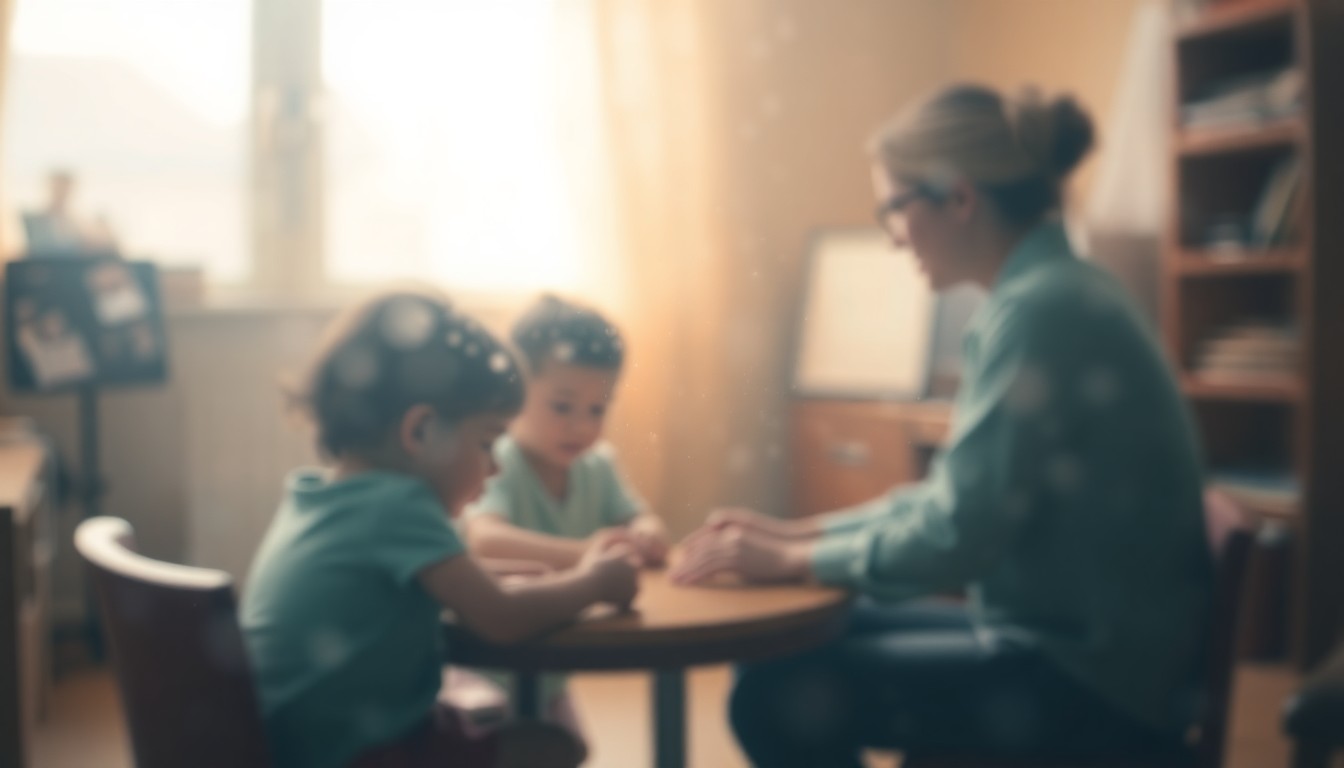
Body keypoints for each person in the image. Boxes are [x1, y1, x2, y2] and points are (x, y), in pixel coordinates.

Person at [673, 84, 1213, 766]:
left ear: (959, 199)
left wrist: (792, 560)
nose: (891, 236)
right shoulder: (1054, 293)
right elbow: (949, 501)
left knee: (774, 692)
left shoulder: (1039, 312)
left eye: (894, 207)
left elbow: (959, 537)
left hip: (1095, 686)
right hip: (1074, 646)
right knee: (786, 647)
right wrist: (798, 534)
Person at [241, 291, 639, 768]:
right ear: (421, 432)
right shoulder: (399, 506)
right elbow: (502, 618)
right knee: (554, 747)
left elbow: (431, 586)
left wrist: (490, 578)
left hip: (300, 744)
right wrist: (596, 582)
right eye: (487, 442)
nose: (494, 469)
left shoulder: (323, 496)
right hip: (356, 754)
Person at [463, 294, 669, 729]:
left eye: (598, 409)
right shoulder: (499, 459)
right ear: (516, 392)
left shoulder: (598, 465)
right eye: (562, 406)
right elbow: (485, 538)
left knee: (569, 750)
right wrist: (584, 553)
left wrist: (647, 532)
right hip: (485, 674)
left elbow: (638, 517)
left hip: (553, 665)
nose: (583, 426)